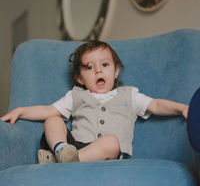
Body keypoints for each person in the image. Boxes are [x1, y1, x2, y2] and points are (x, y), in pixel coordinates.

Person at [1, 40, 188, 164]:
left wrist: (181, 108)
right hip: (74, 146)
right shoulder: (76, 95)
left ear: (116, 71)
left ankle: (64, 162)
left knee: (111, 142)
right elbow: (49, 109)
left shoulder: (129, 95)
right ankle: (61, 151)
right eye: (90, 68)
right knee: (53, 120)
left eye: (105, 65)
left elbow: (155, 105)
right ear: (79, 78)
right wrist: (21, 111)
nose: (98, 71)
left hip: (106, 155)